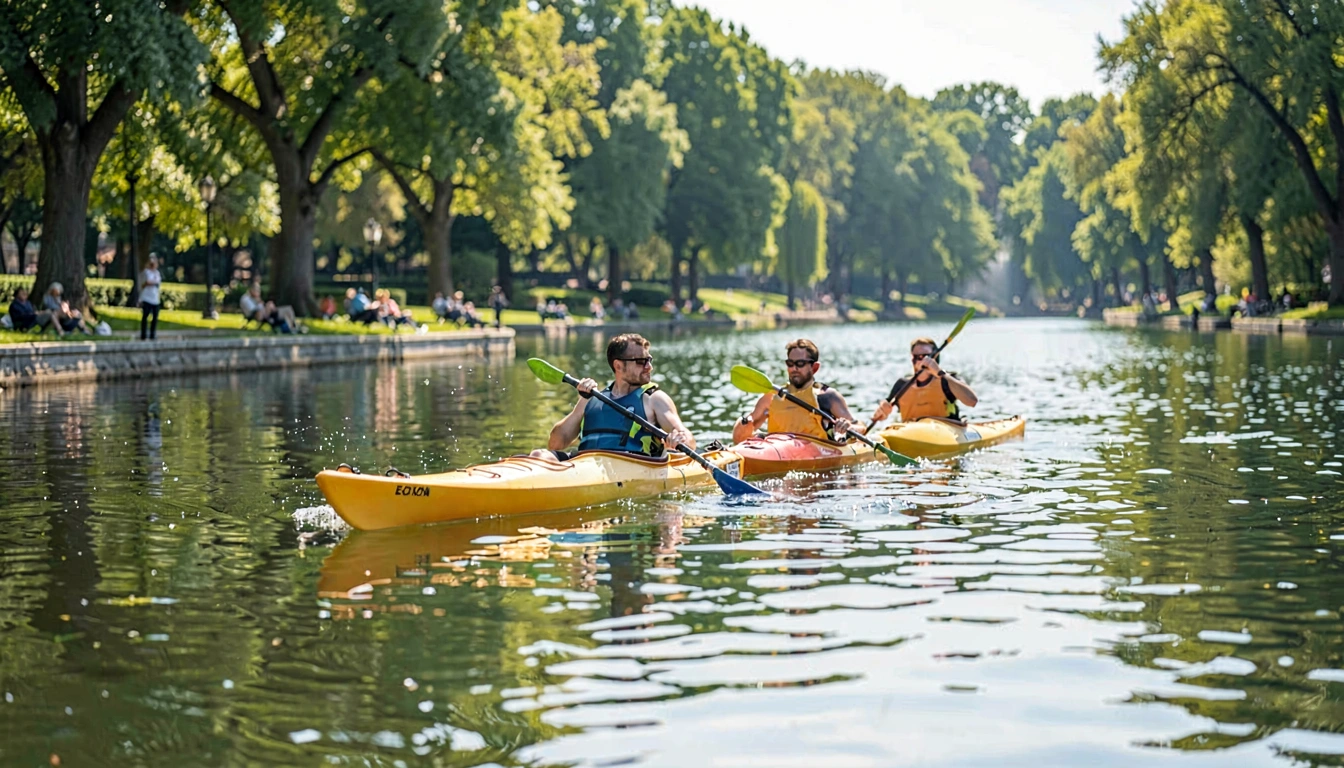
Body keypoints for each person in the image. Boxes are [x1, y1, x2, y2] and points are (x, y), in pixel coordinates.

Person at [532, 333, 693, 461]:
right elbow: (555, 443)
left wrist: (677, 440)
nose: (649, 367)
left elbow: (689, 442)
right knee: (539, 456)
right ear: (618, 365)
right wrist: (584, 399)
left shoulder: (654, 399)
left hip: (630, 465)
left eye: (649, 360)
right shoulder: (592, 397)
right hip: (584, 463)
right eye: (641, 362)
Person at [732, 339, 861, 444]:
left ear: (814, 367)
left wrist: (847, 426)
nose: (794, 368)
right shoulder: (772, 397)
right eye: (790, 363)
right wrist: (744, 422)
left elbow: (860, 427)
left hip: (817, 457)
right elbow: (739, 438)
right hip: (777, 452)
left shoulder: (827, 396)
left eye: (800, 363)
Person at [871, 337, 978, 425]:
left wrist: (939, 373)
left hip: (944, 431)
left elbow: (972, 401)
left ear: (934, 358)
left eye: (925, 356)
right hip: (910, 434)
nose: (920, 360)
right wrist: (882, 411)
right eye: (916, 357)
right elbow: (883, 412)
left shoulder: (947, 380)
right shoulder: (902, 384)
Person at [139, 255, 163, 340]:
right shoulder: (146, 272)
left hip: (155, 299)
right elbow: (146, 282)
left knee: (155, 318)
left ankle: (153, 334)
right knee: (145, 316)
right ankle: (143, 334)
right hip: (147, 298)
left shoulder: (157, 273)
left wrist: (152, 282)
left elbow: (157, 283)